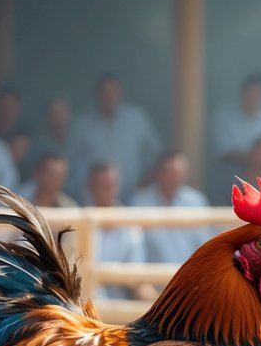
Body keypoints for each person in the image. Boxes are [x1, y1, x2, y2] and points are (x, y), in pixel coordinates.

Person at [68, 74, 162, 202]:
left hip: (132, 199)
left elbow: (157, 158)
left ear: (120, 93)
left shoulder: (138, 120)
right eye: (105, 92)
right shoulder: (82, 125)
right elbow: (70, 164)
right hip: (91, 202)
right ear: (97, 95)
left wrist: (143, 186)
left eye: (113, 92)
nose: (109, 96)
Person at [128, 151, 211, 266]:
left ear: (185, 175)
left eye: (176, 173)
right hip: (150, 279)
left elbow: (205, 245)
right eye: (167, 172)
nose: (171, 178)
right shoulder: (140, 202)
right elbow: (134, 250)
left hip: (189, 277)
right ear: (157, 173)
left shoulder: (196, 202)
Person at [211, 73, 261, 199]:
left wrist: (259, 159)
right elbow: (225, 151)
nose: (255, 96)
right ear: (243, 92)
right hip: (230, 178)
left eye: (259, 92)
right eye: (252, 91)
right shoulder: (224, 118)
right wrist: (257, 157)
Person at [87, 161, 146, 300]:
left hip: (119, 309)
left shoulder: (130, 227)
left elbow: (136, 280)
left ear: (117, 186)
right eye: (101, 185)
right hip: (83, 310)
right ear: (91, 188)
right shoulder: (78, 223)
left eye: (110, 185)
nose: (107, 190)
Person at [31, 94, 72, 190]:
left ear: (68, 113)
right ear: (47, 116)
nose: (57, 116)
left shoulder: (78, 139)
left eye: (61, 112)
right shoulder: (38, 144)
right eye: (53, 112)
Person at [0, 85, 32, 178]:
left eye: (12, 104)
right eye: (5, 104)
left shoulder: (27, 133)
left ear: (19, 106)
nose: (8, 108)